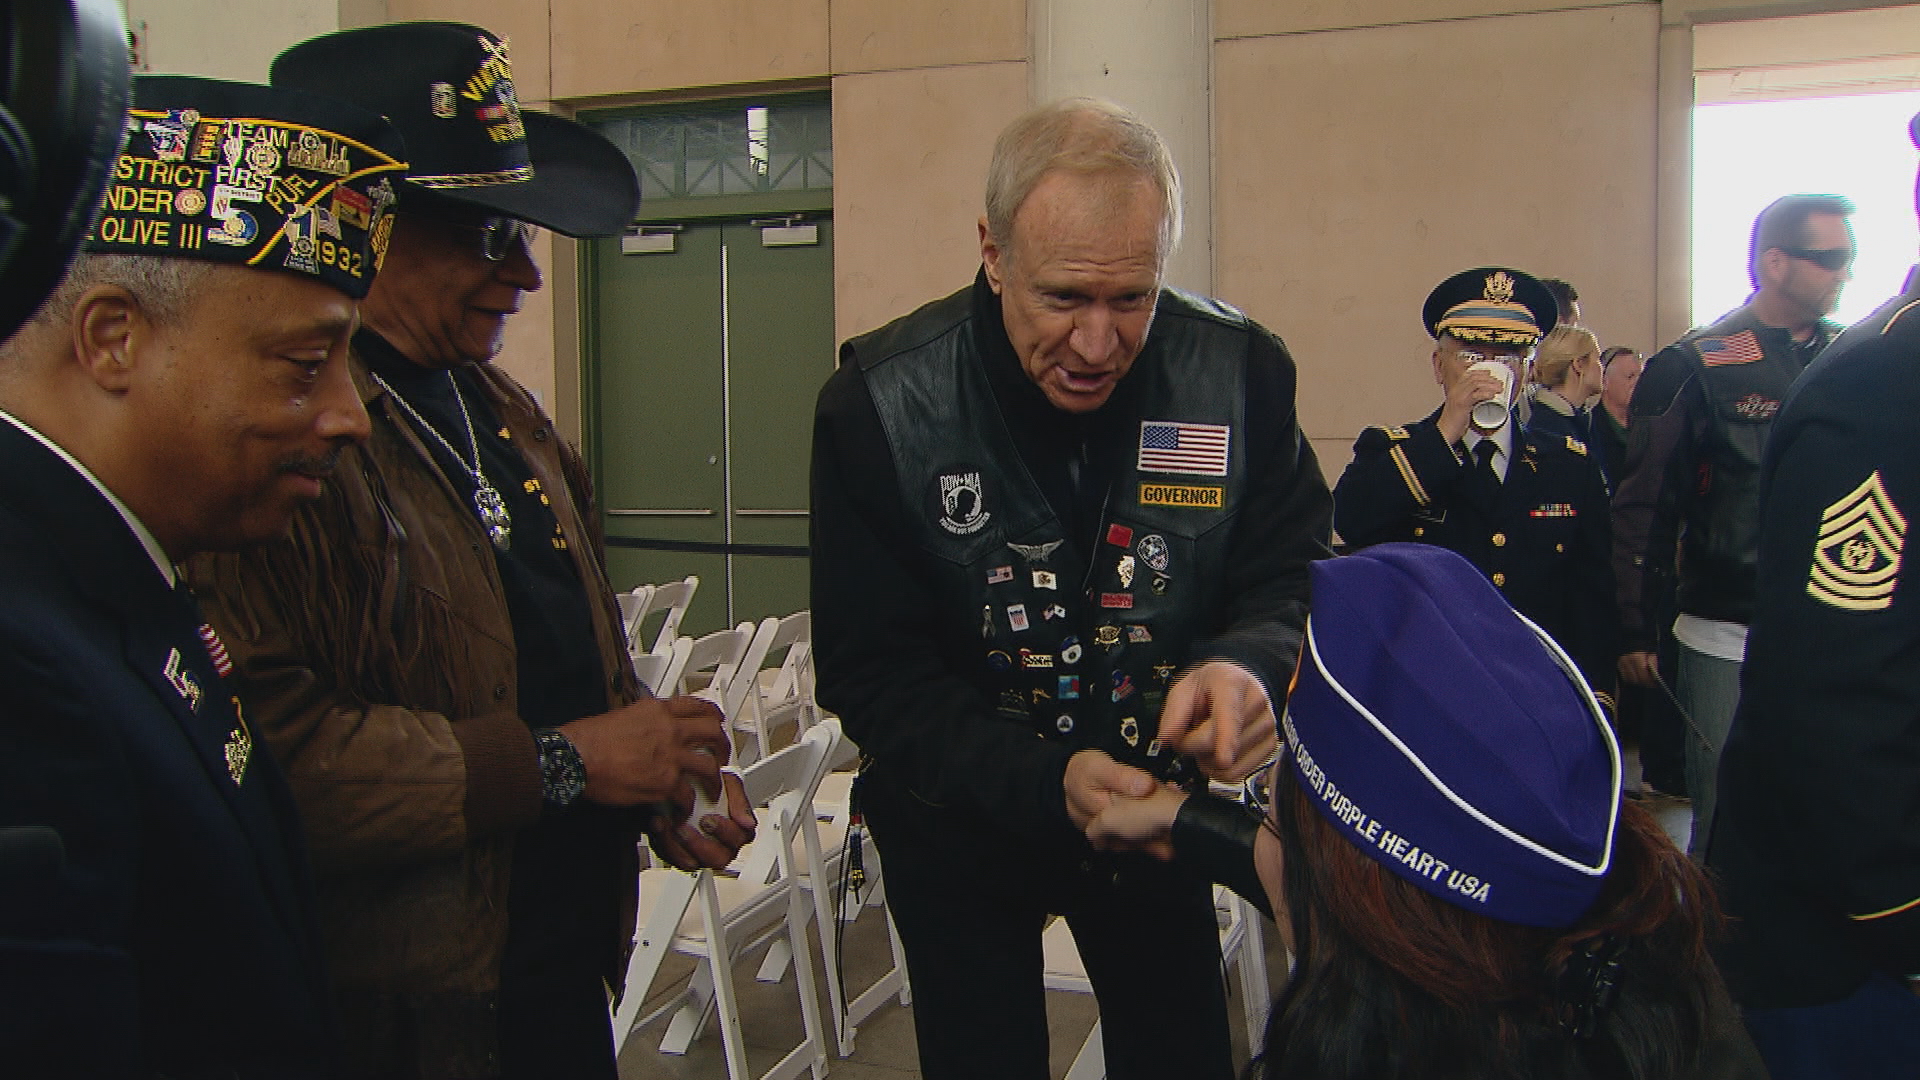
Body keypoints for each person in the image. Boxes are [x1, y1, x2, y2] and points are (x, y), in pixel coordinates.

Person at [185, 24, 755, 1079]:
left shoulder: (501, 409)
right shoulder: (281, 447)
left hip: (553, 973)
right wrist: (571, 762)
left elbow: (554, 645)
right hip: (400, 1018)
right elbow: (277, 759)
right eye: (491, 238)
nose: (527, 278)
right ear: (372, 229)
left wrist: (654, 778)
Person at [810, 97, 1331, 1080]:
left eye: (1132, 299)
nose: (1098, 344)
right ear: (993, 251)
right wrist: (1042, 779)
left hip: (1152, 809)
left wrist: (1249, 666)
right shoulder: (877, 406)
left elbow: (1293, 571)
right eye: (1063, 300)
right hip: (958, 821)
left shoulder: (1240, 375)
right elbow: (873, 673)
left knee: (1179, 1054)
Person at [0, 76, 405, 1076]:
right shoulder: (22, 658)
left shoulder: (119, 574)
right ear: (112, 340)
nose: (350, 415)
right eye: (304, 363)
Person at [1083, 543, 1767, 1080]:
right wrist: (1182, 819)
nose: (1273, 838)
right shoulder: (1632, 971)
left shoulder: (1380, 1048)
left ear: (1385, 937)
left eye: (1271, 804)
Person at [1705, 113, 1920, 1080]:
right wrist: (1902, 915)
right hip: (1856, 940)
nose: (1836, 272)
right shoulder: (1884, 387)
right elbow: (1832, 700)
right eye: (1818, 256)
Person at [1613, 193, 1855, 853]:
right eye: (1828, 259)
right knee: (1726, 819)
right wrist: (1634, 627)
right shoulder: (1696, 365)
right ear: (1774, 262)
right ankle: (1719, 951)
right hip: (1727, 630)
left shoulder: (1853, 360)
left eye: (1847, 260)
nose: (1843, 274)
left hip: (1835, 628)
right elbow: (1644, 503)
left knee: (1827, 812)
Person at [1333, 267, 1615, 703]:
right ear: (1437, 365)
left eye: (1507, 358)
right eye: (1470, 355)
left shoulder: (1567, 465)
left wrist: (1594, 703)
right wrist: (1446, 431)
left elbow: (1592, 597)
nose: (1490, 371)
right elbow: (1352, 520)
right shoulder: (1395, 452)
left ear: (1527, 370)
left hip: (1533, 694)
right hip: (1425, 692)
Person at [1526, 324, 1609, 484]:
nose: (1602, 367)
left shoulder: (1581, 421)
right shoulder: (1548, 429)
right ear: (1578, 364)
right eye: (1597, 359)